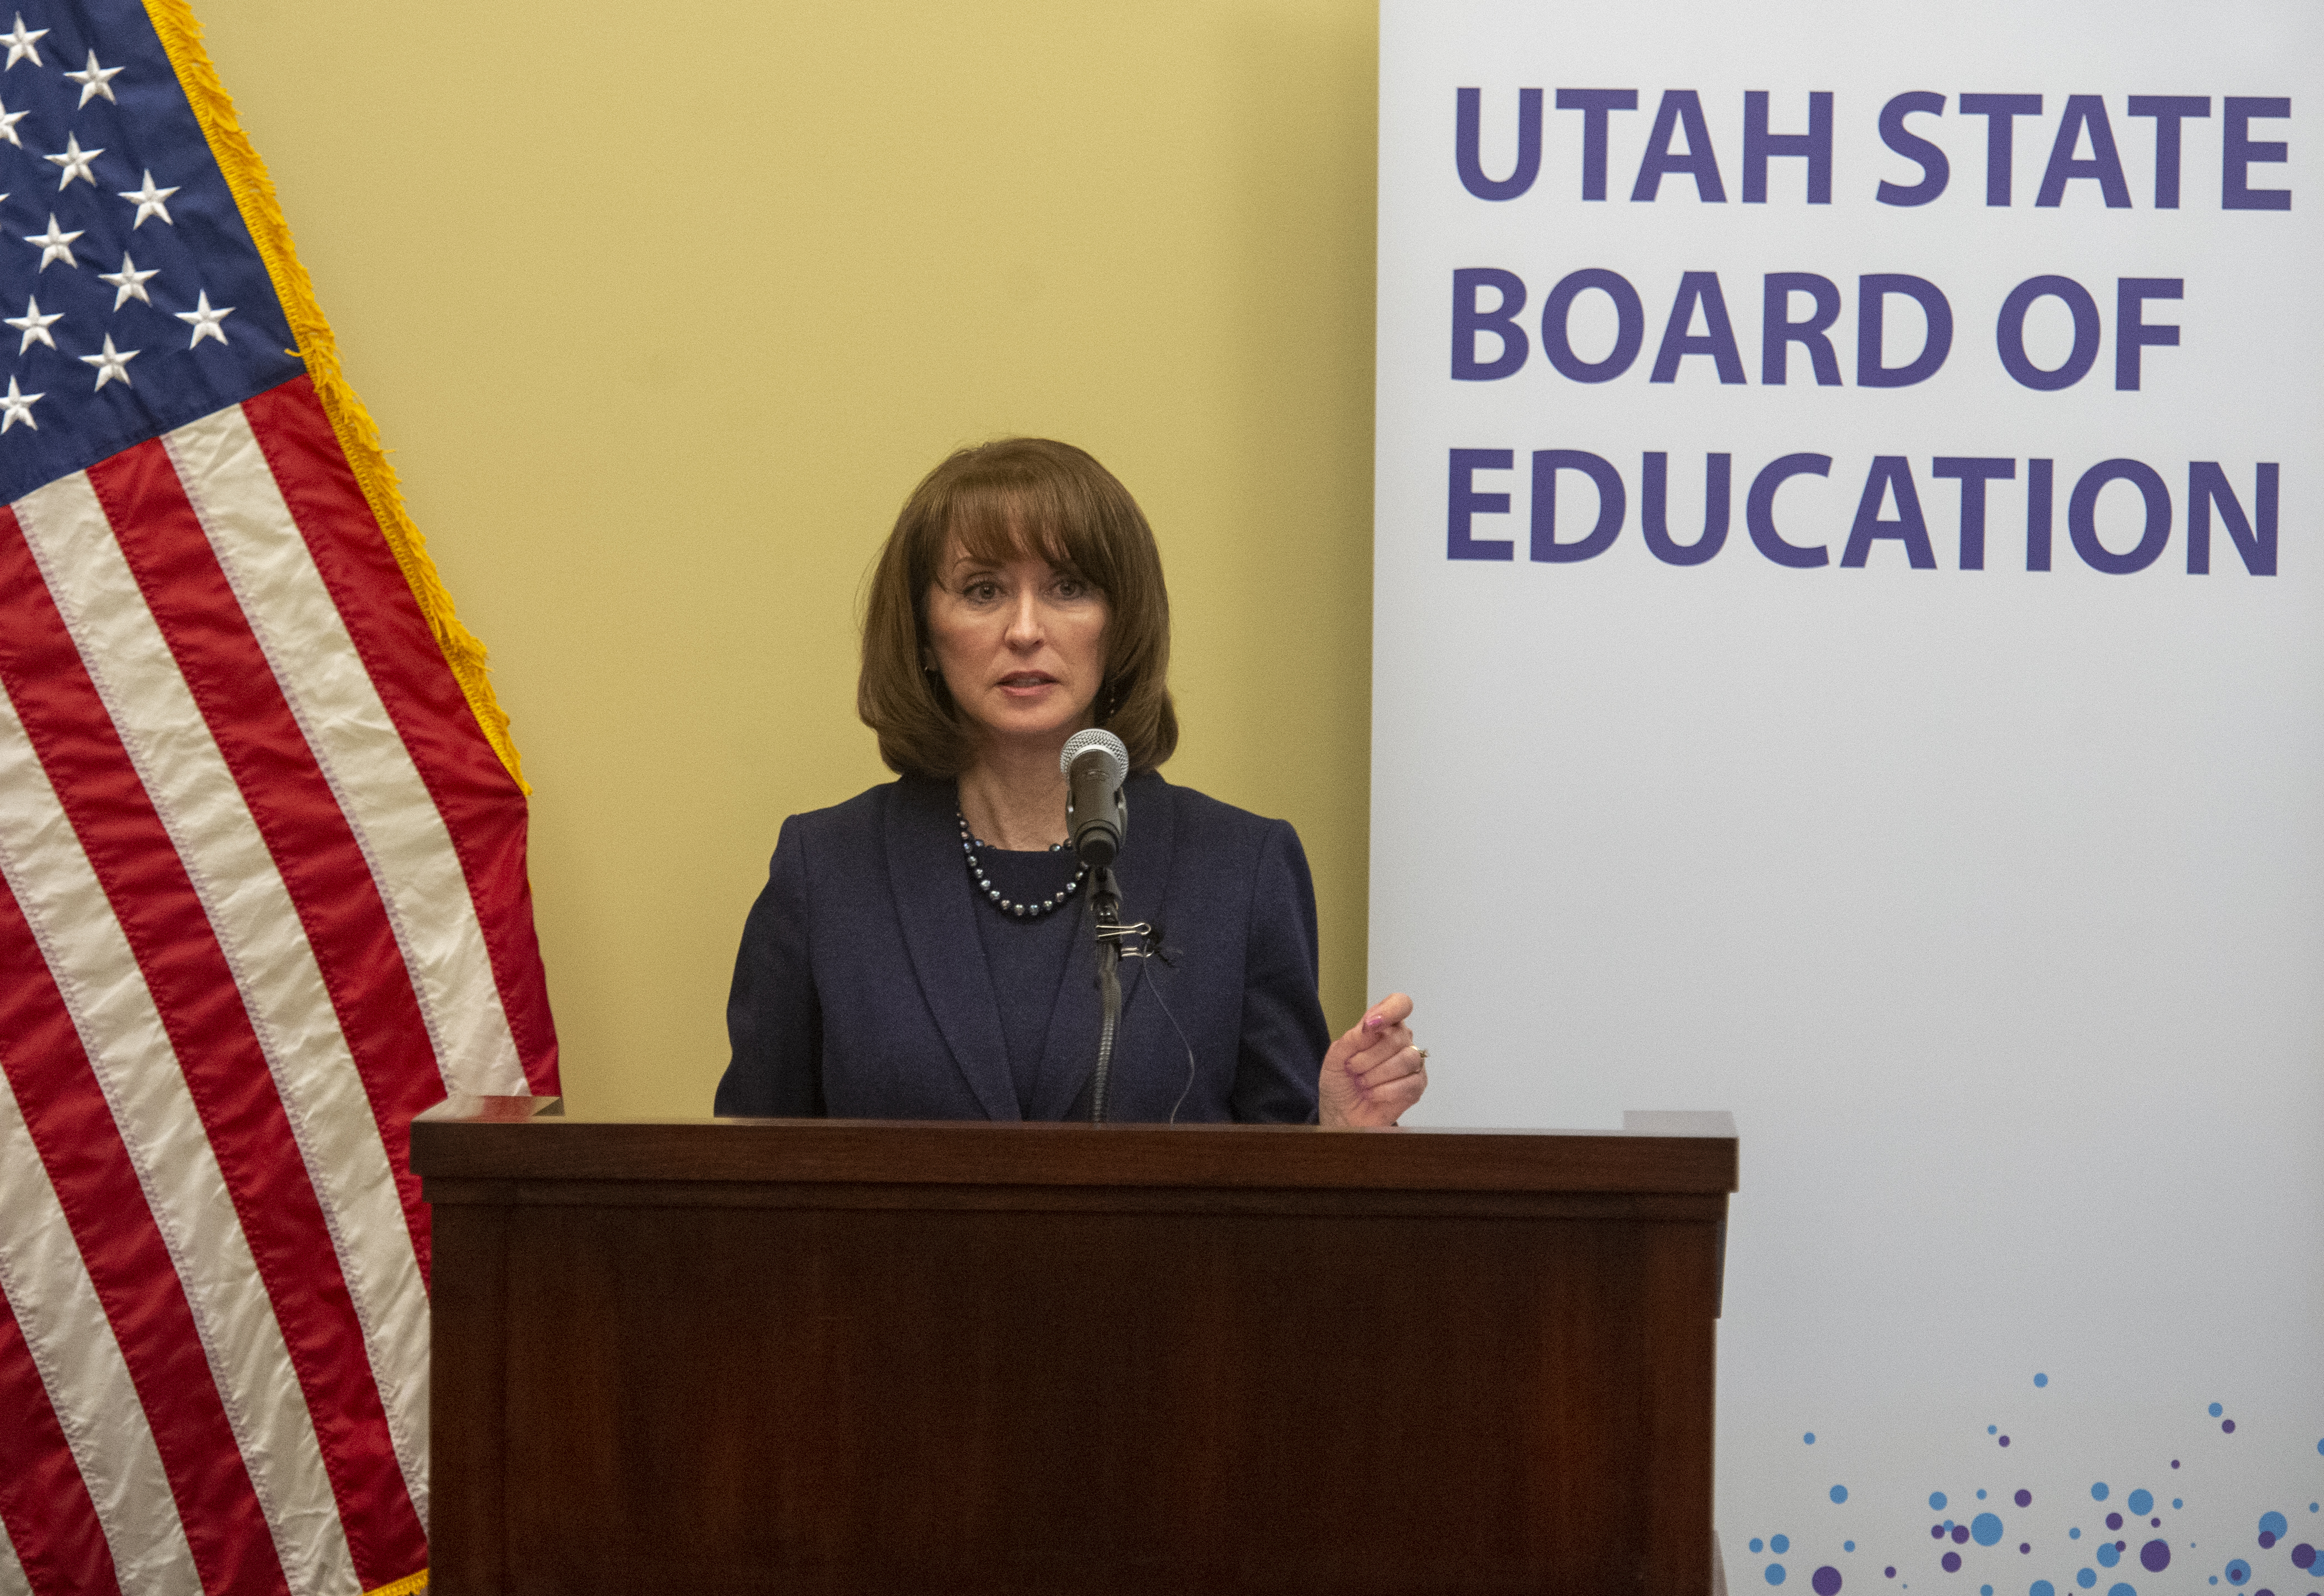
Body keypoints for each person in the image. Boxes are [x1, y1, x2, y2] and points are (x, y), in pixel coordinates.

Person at [714, 437, 1426, 1125]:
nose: (1025, 629)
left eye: (1068, 587)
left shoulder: (1239, 868)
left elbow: (1284, 1198)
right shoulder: (826, 868)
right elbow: (749, 1184)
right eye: (983, 589)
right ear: (925, 635)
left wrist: (1337, 1135)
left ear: (1119, 624)